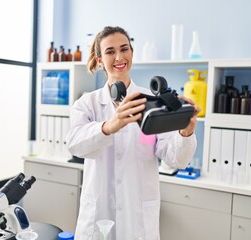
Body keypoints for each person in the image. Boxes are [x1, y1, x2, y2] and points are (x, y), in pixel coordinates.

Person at [66, 26, 200, 240]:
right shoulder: (87, 104)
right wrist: (109, 126)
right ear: (100, 60)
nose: (119, 57)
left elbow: (176, 160)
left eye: (124, 49)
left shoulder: (152, 102)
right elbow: (74, 144)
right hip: (99, 214)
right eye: (110, 51)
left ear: (132, 53)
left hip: (138, 218)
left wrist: (186, 132)